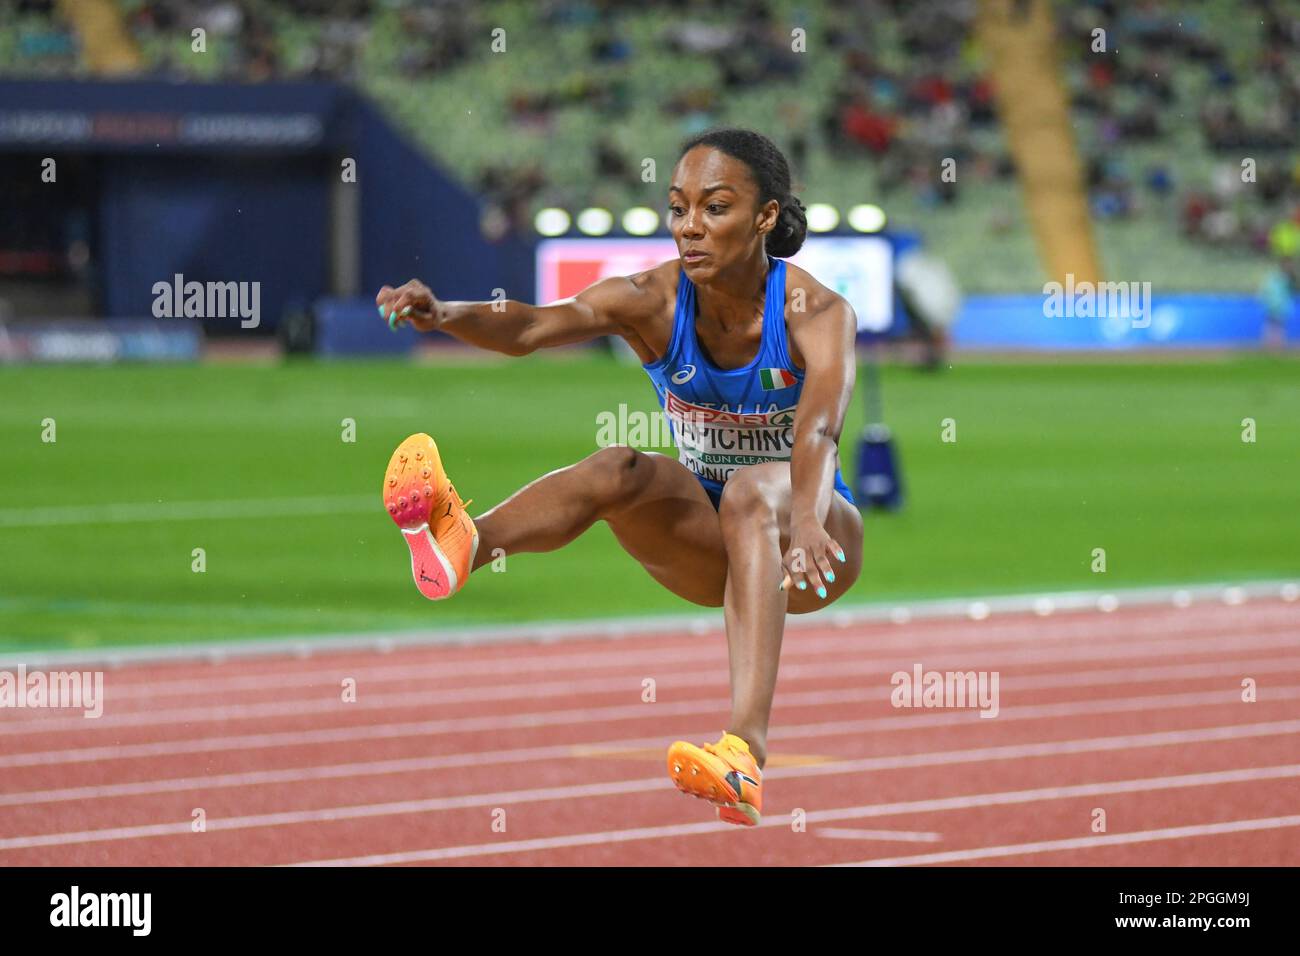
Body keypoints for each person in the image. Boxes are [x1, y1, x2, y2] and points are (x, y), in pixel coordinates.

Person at [375, 128, 864, 827]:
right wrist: (445, 314)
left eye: (715, 208)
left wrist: (811, 515)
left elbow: (818, 429)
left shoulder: (817, 315)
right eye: (677, 207)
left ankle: (744, 754)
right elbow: (533, 326)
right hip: (712, 545)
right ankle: (467, 545)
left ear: (765, 217)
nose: (689, 227)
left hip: (814, 544)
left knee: (758, 489)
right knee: (618, 466)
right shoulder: (653, 301)